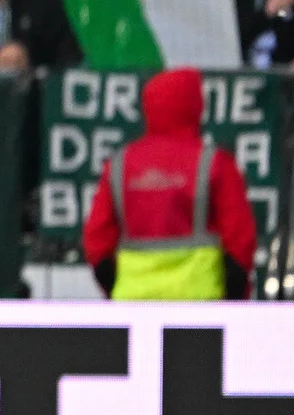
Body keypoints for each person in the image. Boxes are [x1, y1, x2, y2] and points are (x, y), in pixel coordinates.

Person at [81, 67, 260, 300]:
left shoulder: (119, 164)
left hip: (134, 301)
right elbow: (241, 240)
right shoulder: (214, 162)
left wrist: (115, 289)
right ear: (196, 106)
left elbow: (96, 240)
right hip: (201, 301)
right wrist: (234, 299)